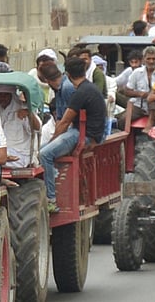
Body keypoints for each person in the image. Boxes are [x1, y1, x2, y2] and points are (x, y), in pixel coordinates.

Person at [39, 57, 106, 212]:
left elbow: (64, 122)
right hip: (86, 133)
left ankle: (51, 199)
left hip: (84, 135)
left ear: (67, 74)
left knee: (44, 154)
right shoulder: (88, 88)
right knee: (41, 150)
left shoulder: (79, 92)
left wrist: (53, 140)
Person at [0, 83, 41, 168]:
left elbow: (37, 128)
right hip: (0, 153)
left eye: (5, 95)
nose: (2, 98)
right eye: (0, 95)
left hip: (19, 155)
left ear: (12, 95)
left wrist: (29, 113)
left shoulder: (22, 108)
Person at [117, 46, 155, 129]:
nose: (151, 61)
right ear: (144, 59)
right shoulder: (137, 72)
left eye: (153, 59)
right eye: (148, 59)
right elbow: (127, 91)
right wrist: (140, 94)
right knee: (122, 121)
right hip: (139, 107)